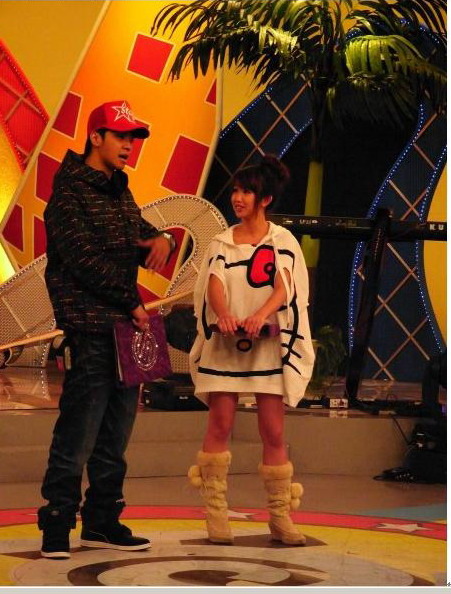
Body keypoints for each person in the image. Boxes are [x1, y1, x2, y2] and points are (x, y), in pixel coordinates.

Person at [38, 100, 176, 558]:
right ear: (95, 137)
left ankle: (102, 522)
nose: (129, 145)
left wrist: (165, 239)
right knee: (78, 433)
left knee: (116, 435)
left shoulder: (120, 190)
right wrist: (133, 302)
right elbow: (84, 261)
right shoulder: (68, 194)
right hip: (90, 329)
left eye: (133, 138)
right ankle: (57, 525)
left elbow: (142, 234)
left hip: (124, 332)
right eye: (120, 136)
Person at [188, 155, 315, 545]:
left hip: (267, 349)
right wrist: (225, 315)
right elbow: (213, 282)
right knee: (220, 424)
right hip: (226, 348)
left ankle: (280, 518)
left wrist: (261, 315)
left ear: (265, 199)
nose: (238, 198)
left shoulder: (282, 240)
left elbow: (285, 285)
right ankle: (216, 516)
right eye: (236, 190)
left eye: (246, 191)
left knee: (273, 430)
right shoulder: (222, 241)